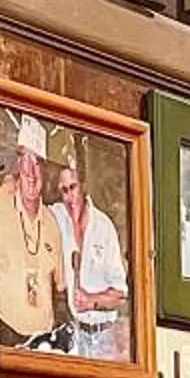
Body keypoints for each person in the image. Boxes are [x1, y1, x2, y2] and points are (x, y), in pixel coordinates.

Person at [0, 115, 67, 349]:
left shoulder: (52, 222)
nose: (31, 173)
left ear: (46, 172)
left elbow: (59, 290)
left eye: (37, 164)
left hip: (43, 343)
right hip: (6, 338)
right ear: (17, 167)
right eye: (25, 162)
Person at [52, 150, 130, 361]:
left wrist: (91, 301)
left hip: (104, 335)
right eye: (64, 190)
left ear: (84, 186)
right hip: (75, 334)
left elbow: (121, 294)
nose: (70, 195)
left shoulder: (104, 227)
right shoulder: (57, 216)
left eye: (73, 187)